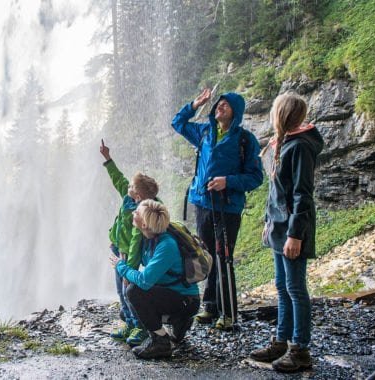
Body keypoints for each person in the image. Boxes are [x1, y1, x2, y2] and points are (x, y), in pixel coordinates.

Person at [171, 90, 263, 330]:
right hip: (202, 203)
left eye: (226, 104)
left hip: (227, 207)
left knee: (224, 258)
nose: (220, 106)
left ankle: (229, 313)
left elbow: (255, 177)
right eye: (218, 103)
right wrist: (195, 103)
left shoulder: (245, 140)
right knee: (207, 255)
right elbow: (177, 123)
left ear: (236, 112)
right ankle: (210, 306)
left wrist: (228, 181)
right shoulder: (204, 132)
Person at [249, 93, 323, 372]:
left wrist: (295, 234)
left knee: (295, 288)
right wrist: (269, 222)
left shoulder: (300, 146)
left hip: (293, 230)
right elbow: (277, 192)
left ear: (282, 114)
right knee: (282, 286)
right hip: (279, 227)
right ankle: (281, 340)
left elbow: (302, 195)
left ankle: (300, 349)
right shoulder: (283, 142)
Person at [110, 199, 200, 359]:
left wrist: (121, 267)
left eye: (136, 212)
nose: (133, 213)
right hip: (171, 294)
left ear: (144, 224)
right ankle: (179, 322)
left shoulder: (167, 245)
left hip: (186, 300)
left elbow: (145, 281)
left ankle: (161, 342)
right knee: (128, 313)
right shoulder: (148, 238)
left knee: (134, 292)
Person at [100, 139, 159, 347]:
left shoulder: (141, 212)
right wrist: (108, 158)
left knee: (127, 288)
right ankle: (128, 322)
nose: (128, 186)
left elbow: (136, 241)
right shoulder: (129, 197)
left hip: (127, 254)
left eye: (132, 186)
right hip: (118, 248)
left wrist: (130, 268)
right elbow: (118, 178)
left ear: (139, 194)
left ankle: (138, 326)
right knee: (119, 290)